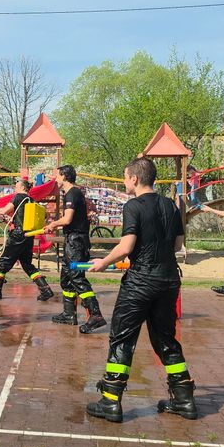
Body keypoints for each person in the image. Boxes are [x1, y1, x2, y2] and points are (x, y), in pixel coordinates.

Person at [84, 157, 197, 424]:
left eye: (125, 177)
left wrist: (103, 263)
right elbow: (179, 243)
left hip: (140, 282)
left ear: (134, 178)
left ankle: (110, 402)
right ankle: (184, 399)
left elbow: (126, 247)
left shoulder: (133, 206)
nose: (124, 182)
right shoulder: (170, 205)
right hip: (168, 281)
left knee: (122, 337)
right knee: (165, 339)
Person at [43, 165, 106, 333]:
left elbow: (68, 219)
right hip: (72, 240)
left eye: (57, 175)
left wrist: (53, 224)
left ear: (64, 176)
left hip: (76, 242)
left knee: (76, 278)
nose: (55, 178)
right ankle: (69, 314)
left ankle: (96, 315)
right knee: (66, 278)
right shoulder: (72, 193)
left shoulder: (72, 193)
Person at [0, 178, 55, 302]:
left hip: (17, 235)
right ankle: (45, 289)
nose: (14, 189)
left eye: (16, 186)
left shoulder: (18, 197)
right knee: (27, 264)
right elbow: (43, 216)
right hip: (28, 235)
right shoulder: (32, 200)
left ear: (22, 188)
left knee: (3, 262)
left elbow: (4, 210)